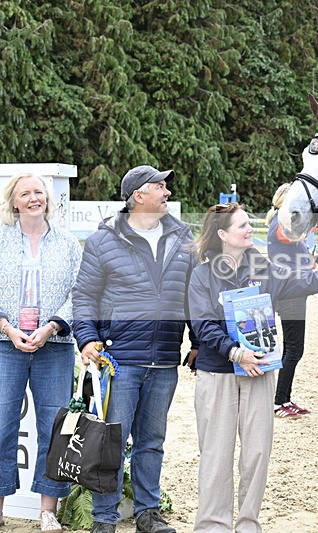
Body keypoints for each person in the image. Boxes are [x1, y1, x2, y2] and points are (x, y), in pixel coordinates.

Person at [188, 202, 318, 532]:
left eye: (248, 224)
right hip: (218, 373)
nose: (250, 229)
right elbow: (203, 325)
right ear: (222, 234)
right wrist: (236, 353)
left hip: (260, 371)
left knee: (257, 454)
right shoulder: (202, 275)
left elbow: (309, 281)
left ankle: (248, 524)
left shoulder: (266, 270)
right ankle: (212, 525)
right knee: (216, 454)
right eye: (242, 226)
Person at [72, 165, 197, 533]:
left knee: (152, 442)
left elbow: (194, 294)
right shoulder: (103, 241)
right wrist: (86, 337)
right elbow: (84, 296)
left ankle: (148, 514)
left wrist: (198, 342)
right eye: (160, 186)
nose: (167, 192)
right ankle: (104, 518)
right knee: (111, 441)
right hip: (118, 360)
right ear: (138, 196)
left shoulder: (183, 237)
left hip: (165, 359)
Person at [0, 173, 82, 532]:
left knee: (55, 427)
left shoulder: (68, 243)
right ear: (13, 202)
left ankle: (48, 509)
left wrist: (51, 327)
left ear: (47, 199)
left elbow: (81, 292)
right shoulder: (1, 239)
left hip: (55, 347)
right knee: (1, 425)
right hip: (5, 344)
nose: (34, 198)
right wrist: (7, 327)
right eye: (26, 194)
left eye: (39, 192)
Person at [266, 184, 315, 419]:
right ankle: (279, 401)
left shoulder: (280, 224)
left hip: (293, 291)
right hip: (290, 293)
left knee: (292, 348)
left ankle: (283, 398)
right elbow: (289, 235)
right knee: (294, 349)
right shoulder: (280, 224)